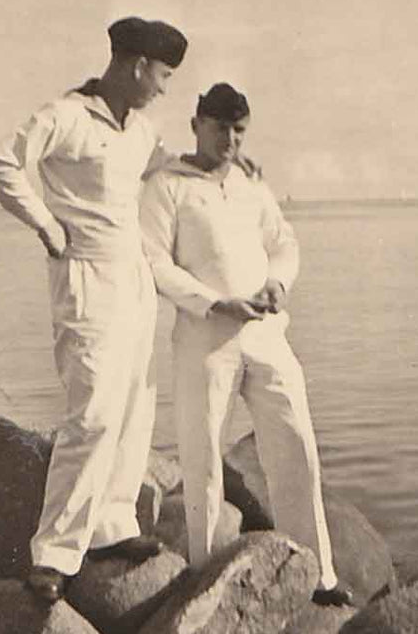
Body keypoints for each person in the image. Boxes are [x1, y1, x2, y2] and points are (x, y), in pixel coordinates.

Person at [0, 16, 188, 603]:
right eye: (163, 75)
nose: (165, 88)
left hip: (135, 281)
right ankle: (53, 552)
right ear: (137, 64)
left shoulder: (139, 129)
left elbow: (157, 164)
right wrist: (45, 224)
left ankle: (112, 524)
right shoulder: (66, 115)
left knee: (132, 410)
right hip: (86, 278)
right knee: (91, 412)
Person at [139, 83, 352, 605]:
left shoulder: (252, 185)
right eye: (219, 127)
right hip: (205, 341)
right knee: (203, 456)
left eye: (239, 130)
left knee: (296, 445)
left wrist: (278, 283)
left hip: (266, 336)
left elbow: (284, 244)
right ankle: (207, 574)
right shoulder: (167, 187)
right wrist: (214, 303)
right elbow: (154, 263)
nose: (229, 139)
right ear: (196, 125)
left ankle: (318, 576)